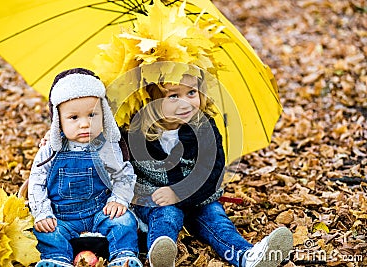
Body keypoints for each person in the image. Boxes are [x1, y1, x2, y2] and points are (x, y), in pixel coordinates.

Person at [119, 70, 294, 267]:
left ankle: (247, 256)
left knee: (216, 220)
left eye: (191, 93)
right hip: (155, 201)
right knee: (167, 215)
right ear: (151, 100)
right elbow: (123, 171)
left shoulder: (205, 129)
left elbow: (212, 172)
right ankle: (160, 257)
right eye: (174, 96)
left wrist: (179, 193)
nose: (185, 102)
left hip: (199, 198)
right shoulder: (134, 132)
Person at [28, 68, 142, 267]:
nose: (84, 124)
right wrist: (43, 213)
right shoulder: (51, 150)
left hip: (100, 211)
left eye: (91, 115)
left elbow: (124, 174)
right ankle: (57, 259)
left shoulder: (105, 145)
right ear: (58, 121)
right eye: (74, 118)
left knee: (124, 221)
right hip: (61, 217)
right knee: (43, 231)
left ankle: (123, 256)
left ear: (103, 114)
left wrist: (118, 199)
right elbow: (36, 181)